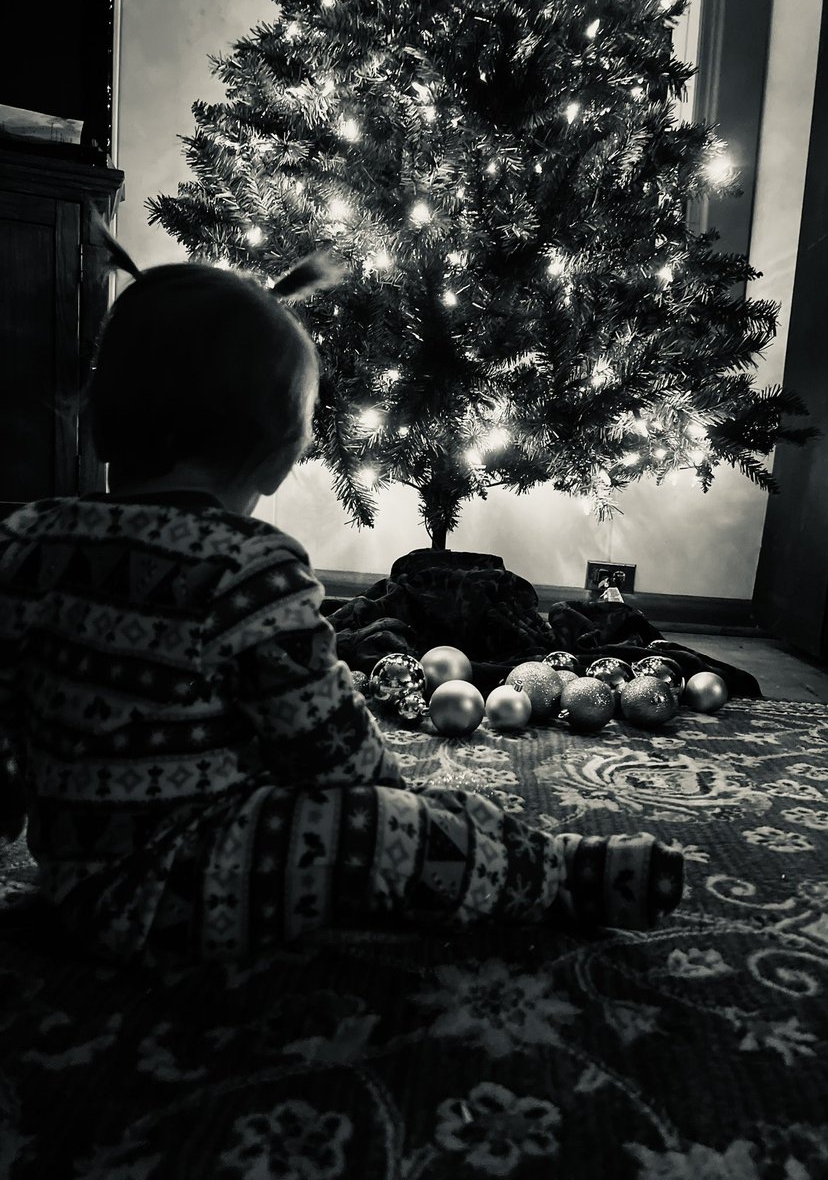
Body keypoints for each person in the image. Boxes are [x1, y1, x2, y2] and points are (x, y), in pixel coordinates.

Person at [0, 225, 684, 965]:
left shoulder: (25, 539)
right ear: (275, 457)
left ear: (99, 422)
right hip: (186, 893)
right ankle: (558, 876)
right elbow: (337, 753)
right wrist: (392, 805)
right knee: (407, 831)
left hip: (73, 882)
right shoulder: (247, 565)